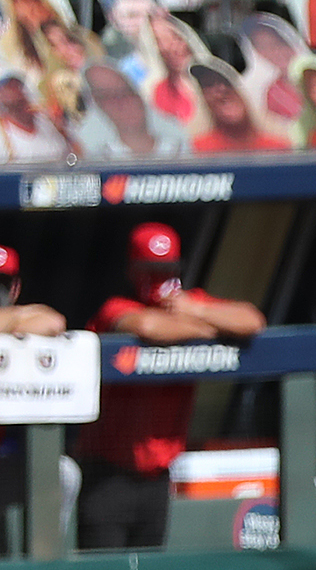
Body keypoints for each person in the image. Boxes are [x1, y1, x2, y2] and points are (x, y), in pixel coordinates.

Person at [75, 222, 266, 550]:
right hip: (106, 474)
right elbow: (147, 326)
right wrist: (207, 327)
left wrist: (197, 309)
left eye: (166, 270)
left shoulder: (192, 305)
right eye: (150, 269)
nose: (158, 279)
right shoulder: (116, 307)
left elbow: (252, 320)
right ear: (133, 270)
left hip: (157, 479)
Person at [0, 244, 80, 541]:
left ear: (16, 287)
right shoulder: (19, 321)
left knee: (64, 473)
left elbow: (52, 321)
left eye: (3, 283)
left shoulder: (23, 317)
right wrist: (14, 321)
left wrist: (11, 319)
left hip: (5, 460)